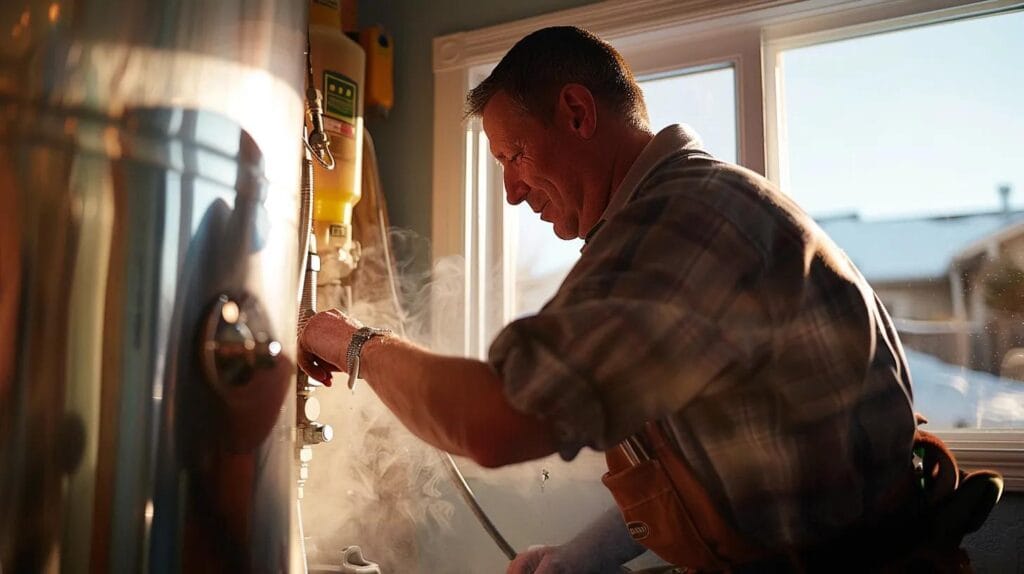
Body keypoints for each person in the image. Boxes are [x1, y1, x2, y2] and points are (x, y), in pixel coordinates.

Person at [299, 26, 949, 572]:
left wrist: (351, 341)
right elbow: (706, 468)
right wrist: (570, 561)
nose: (512, 193)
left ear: (578, 113)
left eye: (515, 155)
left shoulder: (679, 227)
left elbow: (492, 422)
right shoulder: (691, 203)